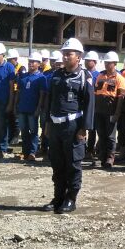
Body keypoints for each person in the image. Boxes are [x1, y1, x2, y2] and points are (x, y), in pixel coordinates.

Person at [41, 38, 95, 214]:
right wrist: (47, 123)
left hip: (73, 126)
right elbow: (50, 100)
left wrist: (84, 128)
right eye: (64, 54)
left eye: (69, 54)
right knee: (57, 163)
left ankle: (71, 199)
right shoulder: (56, 75)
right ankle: (58, 198)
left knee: (73, 164)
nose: (65, 57)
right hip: (55, 125)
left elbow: (89, 104)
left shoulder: (84, 76)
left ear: (78, 57)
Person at [93, 51, 125, 168]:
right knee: (101, 134)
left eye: (109, 63)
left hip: (111, 111)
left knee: (111, 136)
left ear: (115, 63)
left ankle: (110, 158)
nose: (106, 64)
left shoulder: (120, 78)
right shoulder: (100, 76)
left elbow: (120, 98)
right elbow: (96, 93)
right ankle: (102, 157)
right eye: (106, 62)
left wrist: (117, 113)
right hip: (99, 110)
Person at [13, 51, 46, 161]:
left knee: (33, 131)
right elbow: (18, 92)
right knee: (24, 131)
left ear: (39, 64)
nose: (30, 63)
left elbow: (42, 94)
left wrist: (38, 108)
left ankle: (32, 152)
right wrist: (15, 105)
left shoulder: (41, 78)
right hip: (22, 108)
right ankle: (25, 152)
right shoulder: (23, 76)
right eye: (30, 61)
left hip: (33, 109)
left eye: (33, 62)